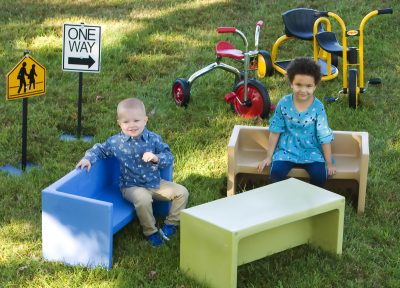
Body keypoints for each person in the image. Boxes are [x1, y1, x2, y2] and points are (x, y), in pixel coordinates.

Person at [76, 98, 189, 247]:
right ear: (119, 123)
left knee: (182, 192)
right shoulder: (116, 142)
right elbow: (100, 149)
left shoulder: (153, 139)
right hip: (130, 186)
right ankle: (151, 231)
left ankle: (171, 224)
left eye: (136, 120)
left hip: (154, 183)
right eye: (126, 122)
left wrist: (156, 158)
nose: (132, 125)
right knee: (143, 199)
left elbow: (168, 156)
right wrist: (88, 158)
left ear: (145, 120)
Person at [257, 57, 336, 187]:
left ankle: (312, 201)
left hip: (311, 151)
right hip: (286, 150)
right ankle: (281, 200)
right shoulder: (283, 103)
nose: (303, 90)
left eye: (309, 86)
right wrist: (269, 157)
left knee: (320, 174)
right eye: (298, 84)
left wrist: (329, 163)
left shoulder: (318, 107)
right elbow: (275, 130)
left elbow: (324, 136)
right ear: (291, 83)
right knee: (276, 172)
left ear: (315, 86)